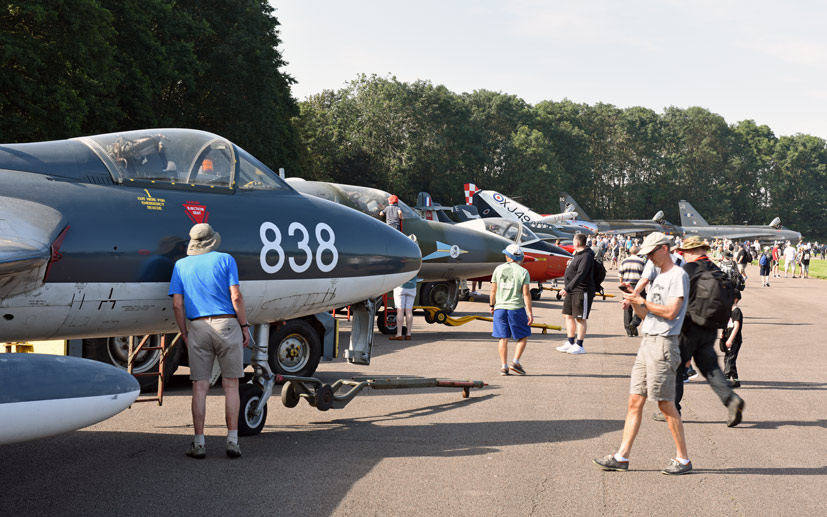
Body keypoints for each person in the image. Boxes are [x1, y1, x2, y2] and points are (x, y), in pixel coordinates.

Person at [594, 232, 692, 475]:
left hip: (664, 344)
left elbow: (671, 312)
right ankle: (622, 456)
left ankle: (683, 459)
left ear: (664, 249)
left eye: (651, 253)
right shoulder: (657, 275)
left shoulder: (677, 275)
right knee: (634, 400)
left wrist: (642, 301)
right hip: (648, 340)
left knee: (665, 403)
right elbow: (647, 316)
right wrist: (634, 300)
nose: (648, 257)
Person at [169, 223, 251, 459]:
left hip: (198, 326)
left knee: (200, 386)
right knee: (231, 385)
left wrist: (185, 333)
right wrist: (244, 326)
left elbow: (177, 304)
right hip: (227, 325)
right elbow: (236, 296)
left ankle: (199, 443)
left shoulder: (181, 265)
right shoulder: (225, 259)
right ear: (213, 240)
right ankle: (232, 441)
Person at [666, 236, 745, 427]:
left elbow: (677, 298)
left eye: (684, 252)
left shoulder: (688, 270)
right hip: (709, 326)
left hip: (688, 327)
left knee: (675, 367)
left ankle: (672, 409)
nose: (683, 255)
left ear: (692, 251)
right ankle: (731, 399)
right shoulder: (716, 269)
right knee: (710, 368)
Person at [489, 244, 533, 375]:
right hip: (516, 308)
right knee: (523, 335)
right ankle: (516, 361)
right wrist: (530, 313)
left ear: (508, 256)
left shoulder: (498, 269)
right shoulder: (523, 272)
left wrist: (492, 306)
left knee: (503, 338)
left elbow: (493, 291)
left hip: (500, 308)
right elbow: (526, 294)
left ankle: (504, 366)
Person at [556, 233, 595, 355]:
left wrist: (567, 288)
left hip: (582, 290)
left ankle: (579, 345)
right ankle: (570, 342)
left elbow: (581, 274)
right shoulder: (576, 254)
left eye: (573, 241)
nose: (572, 243)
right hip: (572, 290)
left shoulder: (586, 256)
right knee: (567, 315)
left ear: (577, 243)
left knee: (580, 318)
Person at [618, 245, 645, 337]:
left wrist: (621, 285)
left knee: (627, 307)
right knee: (642, 305)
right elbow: (645, 276)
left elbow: (620, 274)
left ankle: (628, 331)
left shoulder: (624, 261)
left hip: (626, 285)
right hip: (638, 285)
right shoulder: (641, 261)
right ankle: (634, 323)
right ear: (638, 252)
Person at [722, 290, 743, 387]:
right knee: (729, 359)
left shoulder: (736, 311)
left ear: (735, 299)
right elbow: (727, 324)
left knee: (729, 359)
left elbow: (736, 326)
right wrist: (723, 333)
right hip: (728, 338)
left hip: (735, 340)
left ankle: (725, 378)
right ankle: (735, 379)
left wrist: (730, 339)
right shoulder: (729, 311)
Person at [390, 276, 417, 340]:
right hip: (412, 287)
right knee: (409, 311)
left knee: (400, 311)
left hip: (400, 287)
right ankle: (408, 334)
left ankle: (399, 334)